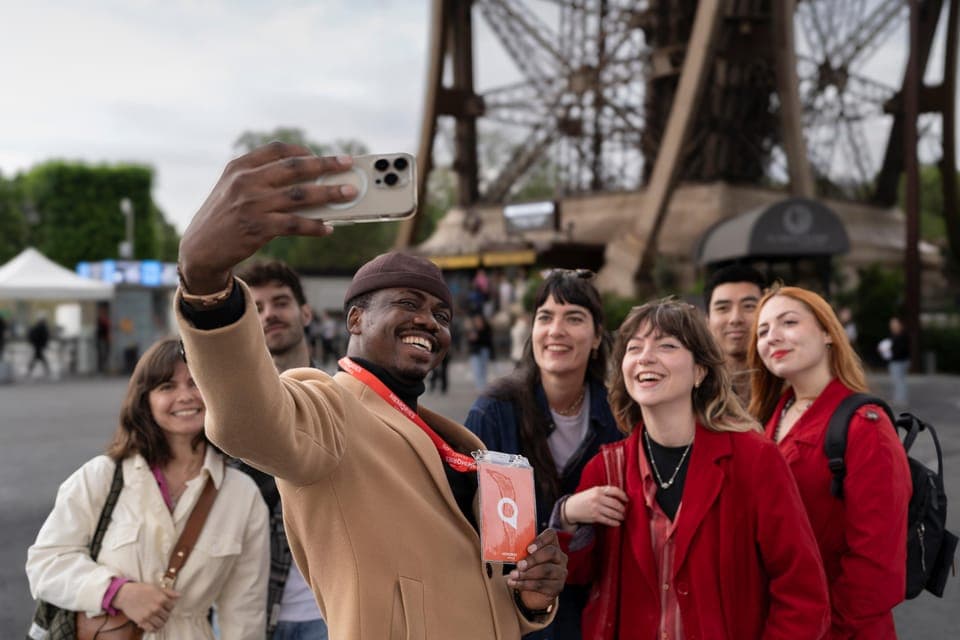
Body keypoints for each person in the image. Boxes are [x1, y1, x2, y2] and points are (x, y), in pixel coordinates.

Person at [174, 143, 566, 640]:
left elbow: (490, 591)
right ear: (355, 318)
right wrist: (206, 285)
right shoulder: (328, 408)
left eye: (442, 316)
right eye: (408, 302)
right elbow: (246, 420)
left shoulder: (470, 448)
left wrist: (531, 598)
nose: (429, 320)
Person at [556, 298, 830, 640]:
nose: (645, 357)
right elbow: (575, 579)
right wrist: (566, 517)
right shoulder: (605, 470)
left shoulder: (755, 460)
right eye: (634, 347)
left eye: (667, 345)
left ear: (700, 371)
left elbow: (802, 593)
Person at [26, 337, 269, 639]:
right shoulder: (102, 476)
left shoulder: (242, 495)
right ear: (145, 400)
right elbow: (45, 564)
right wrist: (117, 593)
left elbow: (245, 613)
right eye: (167, 386)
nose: (185, 396)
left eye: (196, 383)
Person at [465, 269, 623, 640]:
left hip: (595, 609)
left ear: (598, 336)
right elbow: (472, 527)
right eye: (545, 317)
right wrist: (564, 514)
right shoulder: (493, 411)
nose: (556, 331)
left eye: (574, 318)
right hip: (514, 614)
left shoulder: (620, 416)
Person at [748, 286, 911, 639]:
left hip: (841, 630)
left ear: (827, 333)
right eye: (762, 331)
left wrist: (821, 627)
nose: (772, 336)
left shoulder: (865, 425)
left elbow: (876, 564)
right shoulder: (766, 420)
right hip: (778, 622)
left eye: (788, 322)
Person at [233, 260, 330, 640]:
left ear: (305, 312)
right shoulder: (225, 413)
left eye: (280, 302)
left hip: (329, 609)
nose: (269, 314)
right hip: (245, 607)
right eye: (256, 308)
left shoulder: (345, 399)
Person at [703, 264, 766, 405]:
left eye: (749, 306)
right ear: (707, 321)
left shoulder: (789, 386)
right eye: (723, 308)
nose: (735, 319)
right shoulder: (693, 390)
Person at [884, 316, 910, 407]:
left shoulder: (902, 335)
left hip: (899, 361)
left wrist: (891, 351)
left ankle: (900, 399)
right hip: (895, 360)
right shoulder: (892, 335)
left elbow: (902, 349)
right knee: (897, 381)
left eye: (894, 323)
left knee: (899, 381)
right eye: (892, 324)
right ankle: (898, 398)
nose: (893, 325)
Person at [466, 311, 495, 390]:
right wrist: (471, 338)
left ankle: (483, 387)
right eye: (476, 320)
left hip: (484, 351)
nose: (478, 322)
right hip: (475, 352)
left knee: (483, 370)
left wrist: (478, 337)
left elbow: (489, 341)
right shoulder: (473, 329)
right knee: (476, 370)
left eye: (479, 320)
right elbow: (469, 341)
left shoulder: (486, 329)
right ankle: (480, 388)